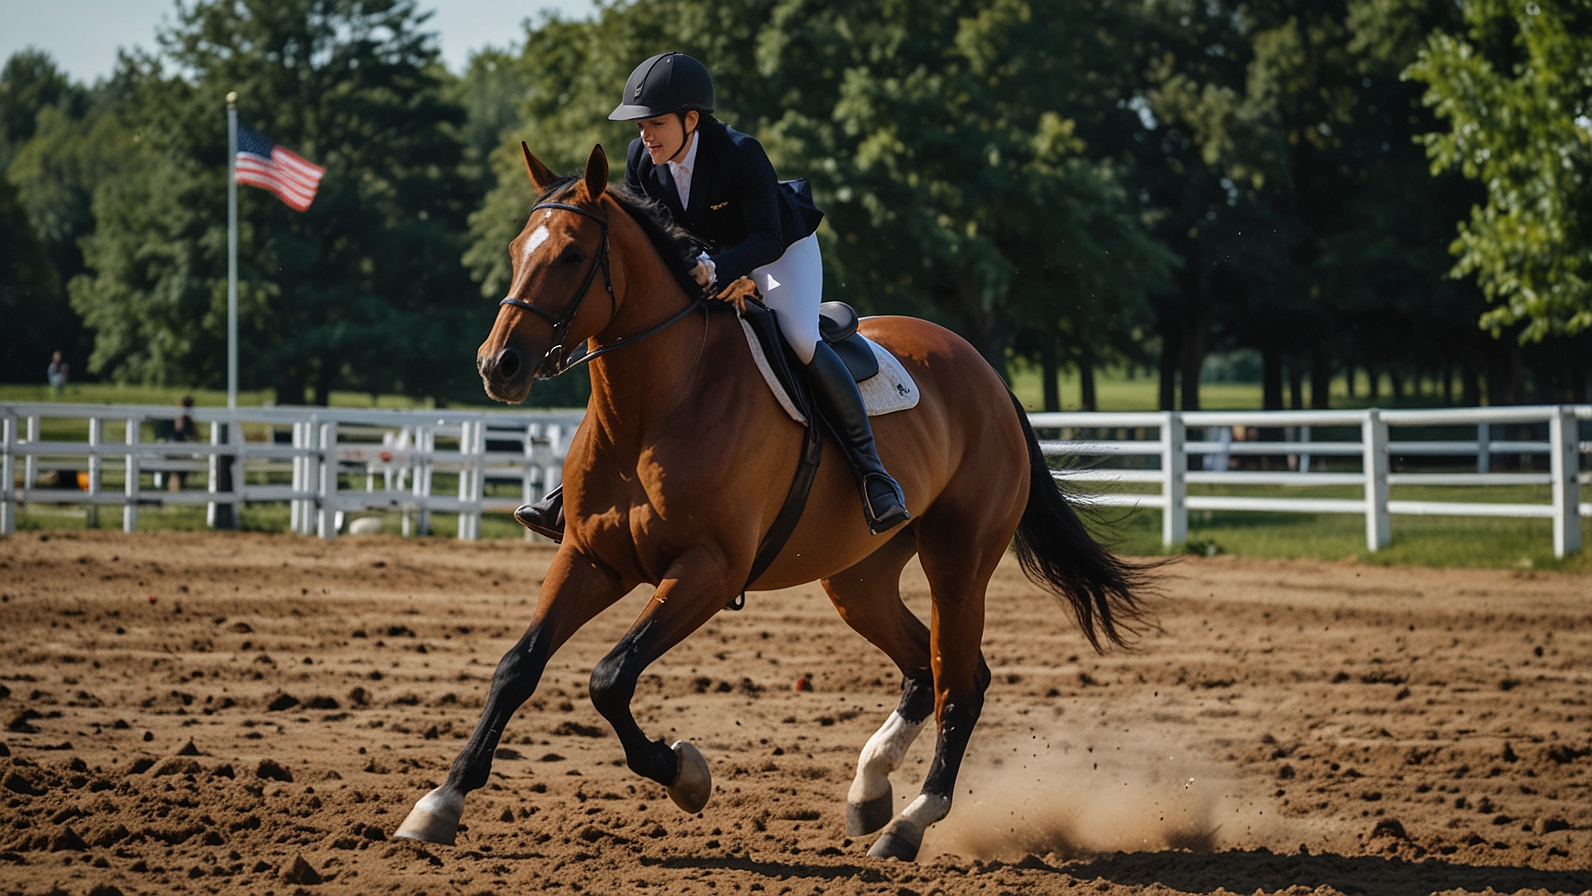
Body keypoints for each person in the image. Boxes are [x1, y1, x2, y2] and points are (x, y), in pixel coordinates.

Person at [514, 51, 910, 541]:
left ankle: (873, 474)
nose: (645, 136)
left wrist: (721, 269)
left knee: (800, 337)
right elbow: (659, 236)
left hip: (779, 252)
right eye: (641, 125)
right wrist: (696, 269)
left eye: (656, 123)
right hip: (705, 258)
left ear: (691, 119)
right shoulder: (641, 160)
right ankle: (571, 489)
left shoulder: (741, 154)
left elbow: (766, 237)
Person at [169, 396, 197, 490]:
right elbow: (191, 433)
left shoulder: (180, 417)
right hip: (182, 446)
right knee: (181, 468)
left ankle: (176, 486)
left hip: (178, 444)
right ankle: (178, 486)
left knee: (178, 468)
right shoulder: (185, 418)